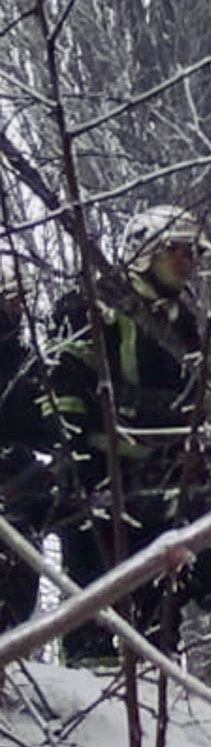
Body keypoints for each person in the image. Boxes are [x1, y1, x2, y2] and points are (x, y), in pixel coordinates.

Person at [46, 207, 211, 660]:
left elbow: (189, 398)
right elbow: (61, 388)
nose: (186, 262)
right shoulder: (91, 306)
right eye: (175, 252)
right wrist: (79, 459)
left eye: (191, 253)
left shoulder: (182, 321)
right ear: (143, 253)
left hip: (158, 481)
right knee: (91, 602)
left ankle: (154, 700)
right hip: (99, 479)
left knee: (157, 619)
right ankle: (87, 704)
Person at [0, 270, 53, 633]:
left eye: (21, 300)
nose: (18, 308)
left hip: (19, 479)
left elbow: (42, 426)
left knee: (22, 554)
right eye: (9, 300)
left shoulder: (23, 359)